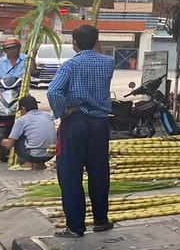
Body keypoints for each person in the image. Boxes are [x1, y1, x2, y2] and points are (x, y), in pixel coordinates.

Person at [47, 24, 115, 238]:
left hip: (75, 122)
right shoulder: (109, 63)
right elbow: (98, 54)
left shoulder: (70, 65)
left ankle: (76, 227)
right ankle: (101, 221)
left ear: (74, 43)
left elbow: (53, 91)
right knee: (99, 173)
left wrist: (62, 112)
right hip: (100, 123)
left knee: (70, 175)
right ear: (97, 42)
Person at [1, 95, 56, 169]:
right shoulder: (47, 115)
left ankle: (26, 163)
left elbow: (9, 144)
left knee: (18, 137)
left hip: (34, 156)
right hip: (50, 155)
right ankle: (40, 164)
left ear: (23, 108)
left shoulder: (22, 120)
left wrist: (2, 141)